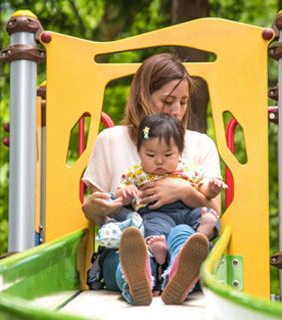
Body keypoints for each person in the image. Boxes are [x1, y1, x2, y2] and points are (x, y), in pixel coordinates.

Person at [82, 53, 222, 305]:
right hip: (131, 242)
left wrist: (182, 191)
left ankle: (179, 276)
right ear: (143, 96)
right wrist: (100, 207)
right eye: (168, 101)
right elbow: (99, 217)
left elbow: (212, 213)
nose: (177, 111)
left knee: (188, 239)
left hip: (183, 239)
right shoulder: (111, 140)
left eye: (183, 101)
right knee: (126, 250)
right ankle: (137, 282)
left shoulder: (201, 144)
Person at [95, 113, 226, 266]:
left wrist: (212, 188)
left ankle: (203, 231)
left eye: (168, 154)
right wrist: (127, 191)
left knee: (208, 214)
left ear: (179, 152)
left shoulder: (187, 169)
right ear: (140, 152)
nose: (159, 161)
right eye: (150, 155)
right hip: (156, 212)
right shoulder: (136, 173)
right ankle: (157, 249)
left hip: (188, 209)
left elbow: (203, 189)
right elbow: (120, 192)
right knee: (152, 228)